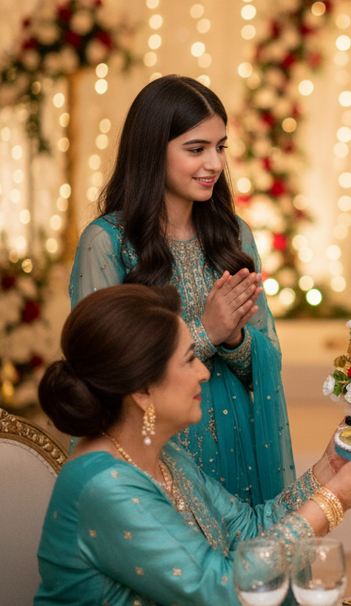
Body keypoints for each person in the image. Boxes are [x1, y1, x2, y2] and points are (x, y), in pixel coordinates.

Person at [18, 284, 351, 606]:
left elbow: (248, 533)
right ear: (142, 389)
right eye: (190, 359)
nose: (204, 374)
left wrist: (330, 470)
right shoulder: (101, 484)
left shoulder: (165, 456)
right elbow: (223, 588)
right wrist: (335, 501)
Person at [69, 75, 292, 506]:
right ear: (153, 150)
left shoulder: (234, 237)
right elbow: (101, 370)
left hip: (236, 444)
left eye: (220, 147)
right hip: (153, 452)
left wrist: (236, 339)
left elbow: (269, 358)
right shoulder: (107, 243)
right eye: (196, 149)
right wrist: (205, 331)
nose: (214, 164)